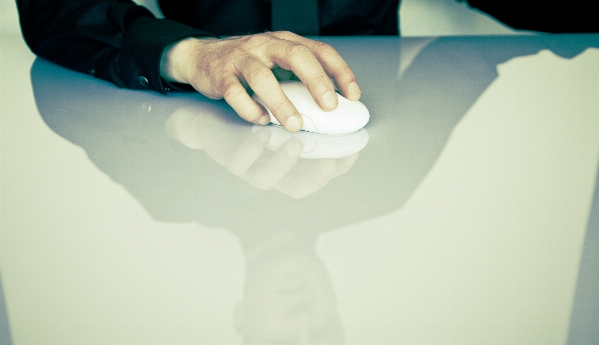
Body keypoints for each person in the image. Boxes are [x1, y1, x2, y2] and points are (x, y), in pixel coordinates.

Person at [17, 0, 599, 132]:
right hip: (214, 107)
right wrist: (190, 53)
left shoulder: (390, 192)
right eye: (316, 330)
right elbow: (56, 7)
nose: (301, 315)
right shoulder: (165, 207)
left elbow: (454, 79)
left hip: (361, 92)